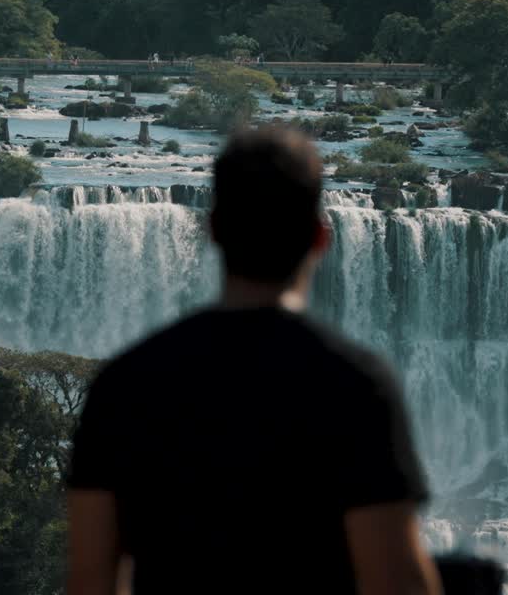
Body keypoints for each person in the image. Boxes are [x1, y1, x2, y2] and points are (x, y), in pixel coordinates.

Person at [67, 127, 440, 595]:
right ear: (321, 237)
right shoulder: (355, 386)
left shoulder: (123, 385)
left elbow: (89, 579)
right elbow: (397, 582)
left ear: (212, 230)